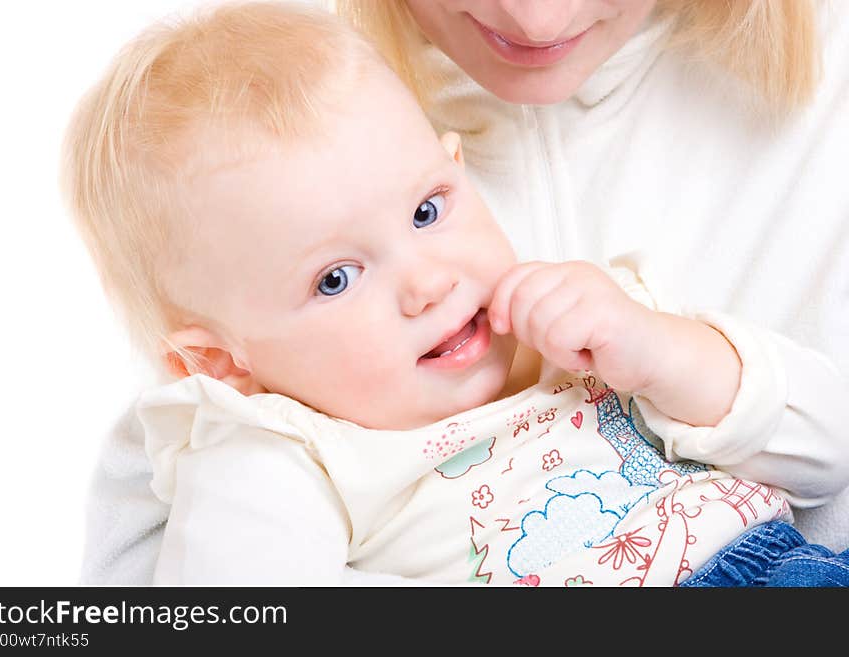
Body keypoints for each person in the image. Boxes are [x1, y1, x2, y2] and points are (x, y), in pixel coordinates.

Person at [62, 1, 849, 586]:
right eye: (335, 279)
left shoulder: (585, 324)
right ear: (219, 364)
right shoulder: (283, 451)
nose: (427, 281)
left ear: (457, 168)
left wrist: (667, 353)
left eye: (427, 210)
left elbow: (829, 454)